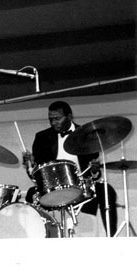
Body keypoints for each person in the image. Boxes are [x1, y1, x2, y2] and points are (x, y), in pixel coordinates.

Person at [23, 101, 117, 236]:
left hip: (81, 185)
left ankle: (111, 238)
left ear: (69, 117)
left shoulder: (86, 135)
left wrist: (95, 170)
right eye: (51, 119)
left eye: (57, 118)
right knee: (31, 194)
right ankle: (39, 237)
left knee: (107, 191)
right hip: (53, 185)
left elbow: (94, 174)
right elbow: (37, 175)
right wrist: (30, 165)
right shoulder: (42, 138)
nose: (53, 122)